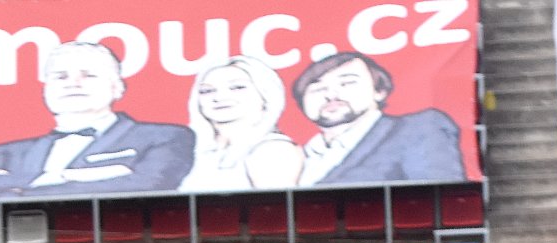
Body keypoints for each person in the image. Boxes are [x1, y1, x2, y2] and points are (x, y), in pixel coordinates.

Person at [0, 42, 193, 196]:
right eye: (60, 76)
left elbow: (150, 183)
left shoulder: (164, 136)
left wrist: (14, 188)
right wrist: (56, 177)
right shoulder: (9, 152)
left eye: (88, 75)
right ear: (45, 89)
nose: (73, 84)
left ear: (118, 88)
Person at [293, 51, 465, 185]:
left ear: (379, 91)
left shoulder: (418, 128)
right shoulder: (295, 156)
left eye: (347, 83)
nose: (331, 95)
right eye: (318, 89)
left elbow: (440, 197)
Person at [180, 57, 303, 192]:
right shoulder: (196, 151)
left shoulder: (274, 149)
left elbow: (276, 204)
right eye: (207, 91)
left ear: (266, 95)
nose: (219, 97)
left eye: (237, 87)